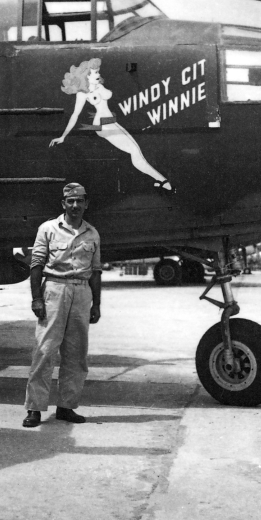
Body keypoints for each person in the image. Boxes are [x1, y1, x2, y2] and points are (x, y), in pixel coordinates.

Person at [23, 183, 102, 428]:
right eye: (70, 201)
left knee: (76, 354)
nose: (75, 206)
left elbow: (96, 271)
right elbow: (36, 265)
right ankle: (34, 408)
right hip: (54, 290)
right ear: (63, 204)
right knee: (45, 350)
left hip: (82, 292)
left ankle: (66, 407)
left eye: (80, 201)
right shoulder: (48, 229)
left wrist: (96, 304)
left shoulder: (92, 234)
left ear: (86, 203)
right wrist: (37, 298)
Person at [50, 58, 173, 192]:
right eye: (94, 73)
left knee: (136, 149)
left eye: (98, 72)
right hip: (103, 125)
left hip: (111, 122)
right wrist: (63, 136)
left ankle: (159, 180)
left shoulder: (99, 86)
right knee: (134, 151)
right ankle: (163, 181)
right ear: (86, 76)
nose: (98, 75)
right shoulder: (83, 94)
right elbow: (75, 115)